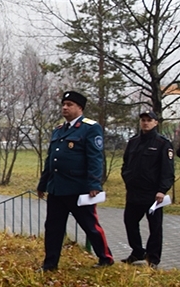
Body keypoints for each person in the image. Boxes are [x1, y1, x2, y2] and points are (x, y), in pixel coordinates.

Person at [36, 90, 113, 271]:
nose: (65, 107)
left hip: (78, 188)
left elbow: (95, 158)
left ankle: (105, 257)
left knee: (90, 226)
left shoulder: (90, 128)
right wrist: (43, 183)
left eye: (69, 105)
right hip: (57, 188)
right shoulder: (59, 130)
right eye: (63, 104)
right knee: (53, 228)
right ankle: (50, 264)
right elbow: (51, 160)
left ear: (80, 108)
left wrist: (94, 184)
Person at [120, 110, 175, 268]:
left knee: (155, 228)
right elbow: (126, 164)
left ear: (155, 122)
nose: (145, 123)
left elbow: (167, 170)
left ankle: (153, 259)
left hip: (153, 194)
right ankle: (137, 251)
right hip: (134, 192)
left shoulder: (163, 144)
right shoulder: (133, 142)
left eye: (149, 120)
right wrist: (127, 178)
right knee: (129, 222)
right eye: (143, 120)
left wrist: (162, 190)